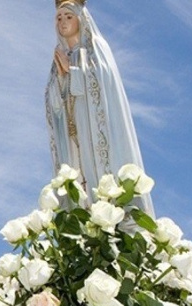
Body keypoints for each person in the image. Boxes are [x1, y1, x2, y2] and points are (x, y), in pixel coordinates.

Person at [45, 0, 154, 216]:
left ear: (80, 19)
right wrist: (60, 80)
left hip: (95, 131)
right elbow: (53, 100)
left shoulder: (96, 49)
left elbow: (104, 83)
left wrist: (74, 72)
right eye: (59, 18)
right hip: (72, 135)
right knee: (76, 180)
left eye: (68, 17)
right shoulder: (60, 56)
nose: (63, 23)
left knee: (101, 182)